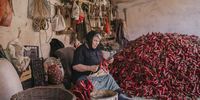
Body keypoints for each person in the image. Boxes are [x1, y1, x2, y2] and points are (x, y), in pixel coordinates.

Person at [71, 30, 132, 100]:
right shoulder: (80, 50)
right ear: (89, 39)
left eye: (98, 41)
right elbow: (75, 66)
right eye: (95, 40)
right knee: (92, 87)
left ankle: (120, 95)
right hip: (83, 77)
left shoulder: (96, 49)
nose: (97, 43)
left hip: (95, 75)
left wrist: (108, 61)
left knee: (109, 78)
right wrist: (90, 68)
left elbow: (101, 61)